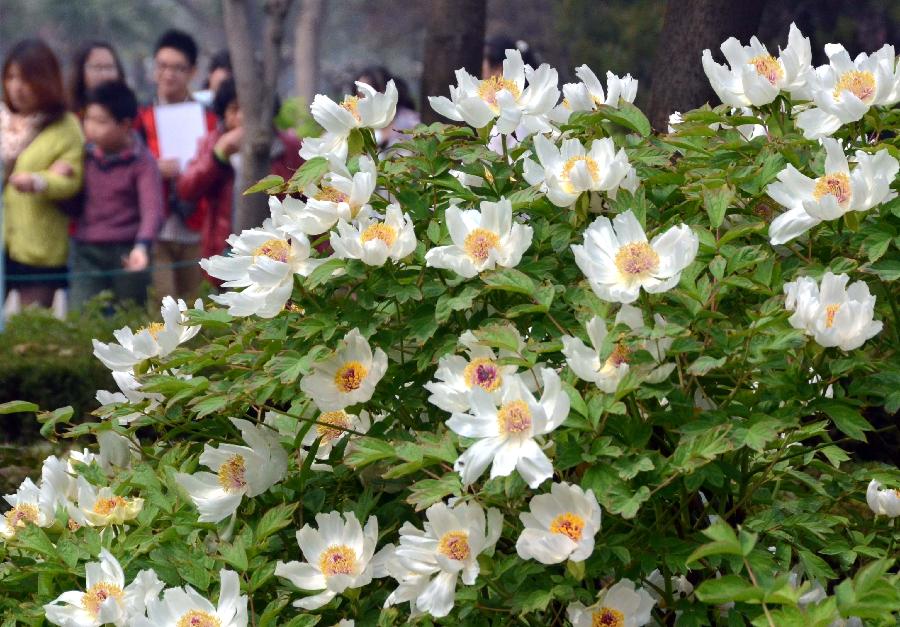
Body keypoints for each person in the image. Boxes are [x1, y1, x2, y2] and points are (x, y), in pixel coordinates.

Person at [177, 78, 302, 262]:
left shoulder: (288, 146)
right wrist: (218, 156)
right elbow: (186, 189)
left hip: (280, 254)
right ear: (224, 113)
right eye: (234, 109)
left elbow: (304, 198)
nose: (243, 117)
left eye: (251, 109)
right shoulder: (213, 142)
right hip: (225, 250)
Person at [2, 39, 84, 308]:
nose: (17, 86)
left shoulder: (64, 126)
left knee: (33, 329)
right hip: (4, 235)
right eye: (11, 76)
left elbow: (71, 180)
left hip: (39, 243)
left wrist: (40, 181)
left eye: (26, 78)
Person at [134, 29, 216, 300]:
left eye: (178, 68)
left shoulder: (209, 119)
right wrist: (152, 169)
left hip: (196, 224)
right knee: (162, 305)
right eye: (162, 66)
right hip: (154, 225)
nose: (168, 74)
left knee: (194, 308)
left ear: (192, 72)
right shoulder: (139, 117)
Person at [68, 80, 164, 311]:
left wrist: (142, 246)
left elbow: (152, 209)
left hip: (127, 250)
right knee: (84, 316)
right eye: (88, 119)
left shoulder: (142, 162)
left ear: (125, 125)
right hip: (87, 250)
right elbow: (68, 198)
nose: (90, 127)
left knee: (129, 317)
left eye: (100, 121)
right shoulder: (83, 156)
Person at [354, 66, 419, 149]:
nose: (362, 101)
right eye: (359, 96)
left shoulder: (410, 121)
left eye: (366, 95)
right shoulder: (358, 124)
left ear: (386, 91)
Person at [68, 41, 125, 115]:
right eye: (97, 67)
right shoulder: (67, 116)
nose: (104, 75)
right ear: (80, 71)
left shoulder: (134, 117)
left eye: (109, 67)